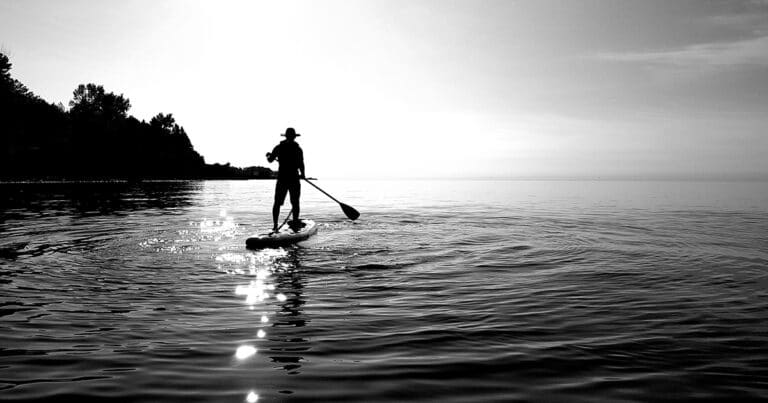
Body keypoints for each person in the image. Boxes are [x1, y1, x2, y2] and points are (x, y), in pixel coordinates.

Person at [266, 127, 305, 233]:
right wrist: (303, 175)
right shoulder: (298, 149)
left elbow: (270, 160)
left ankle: (275, 226)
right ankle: (295, 223)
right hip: (294, 178)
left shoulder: (279, 147)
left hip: (282, 178)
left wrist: (269, 156)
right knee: (295, 203)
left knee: (277, 203)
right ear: (294, 137)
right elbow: (301, 164)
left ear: (286, 136)